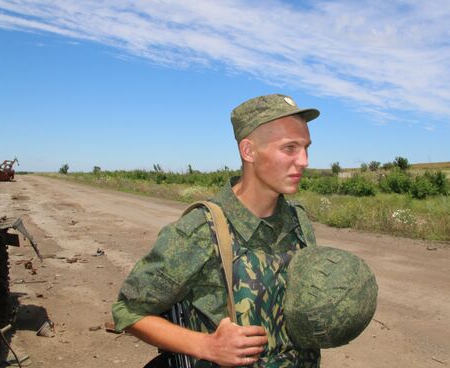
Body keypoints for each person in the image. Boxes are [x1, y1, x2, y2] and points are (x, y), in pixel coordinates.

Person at [112, 94, 321, 367]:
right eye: (290, 148)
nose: (304, 160)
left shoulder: (298, 220)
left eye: (306, 147)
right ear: (248, 151)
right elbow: (128, 311)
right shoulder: (200, 230)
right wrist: (206, 346)